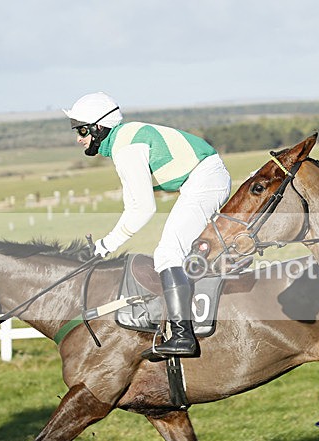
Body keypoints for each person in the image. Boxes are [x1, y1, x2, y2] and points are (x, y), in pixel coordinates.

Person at [63, 92, 231, 359]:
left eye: (82, 130)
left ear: (98, 128)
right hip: (203, 179)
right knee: (175, 252)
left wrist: (103, 247)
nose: (78, 138)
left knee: (167, 253)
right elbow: (135, 204)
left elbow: (143, 210)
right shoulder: (125, 139)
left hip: (204, 182)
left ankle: (182, 336)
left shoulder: (126, 147)